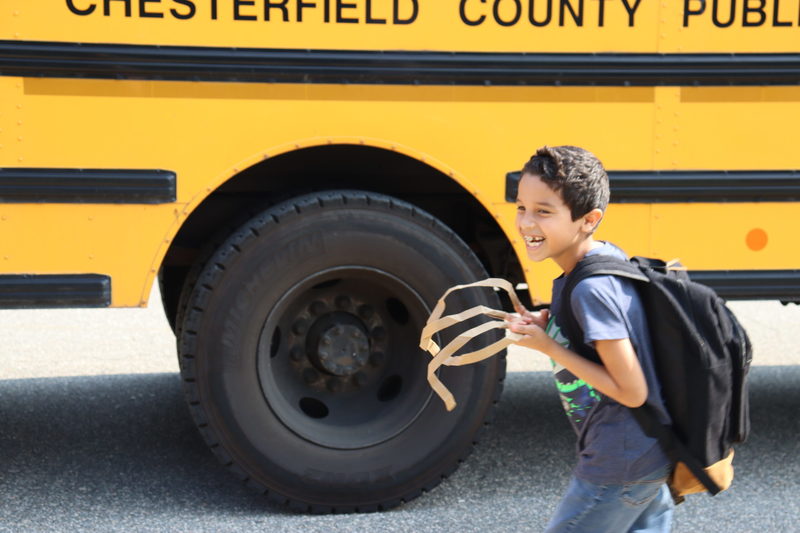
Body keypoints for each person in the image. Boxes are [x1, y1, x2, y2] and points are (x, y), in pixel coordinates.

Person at [506, 146, 674, 533]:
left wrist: (550, 348)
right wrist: (550, 326)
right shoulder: (595, 260)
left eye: (544, 211)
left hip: (620, 463)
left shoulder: (590, 288)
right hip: (646, 452)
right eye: (521, 207)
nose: (527, 223)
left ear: (588, 219)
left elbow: (631, 391)